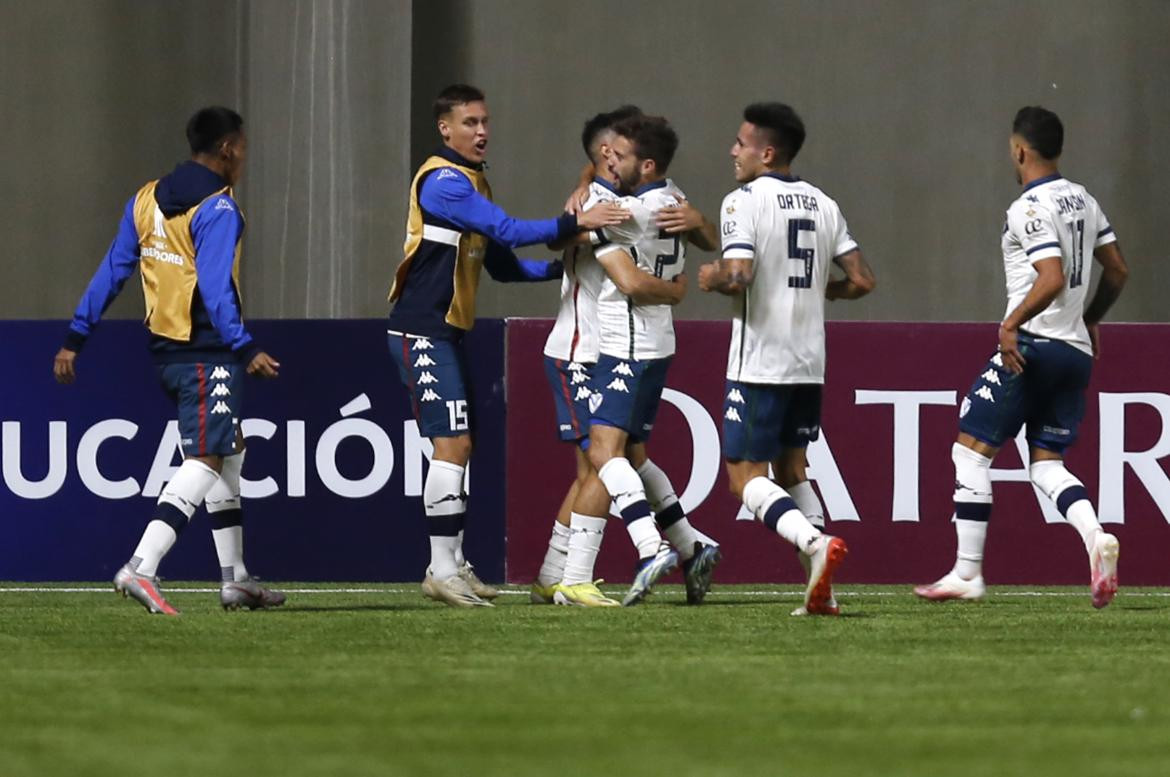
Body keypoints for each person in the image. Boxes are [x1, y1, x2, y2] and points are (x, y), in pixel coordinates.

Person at [387, 84, 628, 608]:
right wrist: (573, 224)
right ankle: (440, 568)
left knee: (460, 447)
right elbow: (509, 231)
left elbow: (498, 260)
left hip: (445, 332)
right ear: (444, 129)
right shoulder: (443, 181)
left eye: (485, 121)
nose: (481, 131)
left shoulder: (474, 181)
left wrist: (561, 270)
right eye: (469, 122)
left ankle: (450, 563)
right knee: (452, 447)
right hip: (420, 330)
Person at [54, 107, 285, 615]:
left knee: (231, 449)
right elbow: (217, 288)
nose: (245, 157)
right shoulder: (219, 210)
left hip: (166, 355)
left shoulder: (145, 198)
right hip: (209, 354)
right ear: (227, 149)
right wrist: (245, 348)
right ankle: (142, 566)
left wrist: (76, 336)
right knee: (205, 459)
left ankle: (236, 579)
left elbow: (113, 269)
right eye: (243, 148)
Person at [915, 106, 1129, 608]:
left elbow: (1050, 277)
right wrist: (1091, 318)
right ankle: (1096, 537)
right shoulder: (1084, 199)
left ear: (1020, 150)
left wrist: (1010, 324)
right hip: (1073, 351)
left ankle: (967, 573)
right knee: (1047, 464)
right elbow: (1117, 270)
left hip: (1032, 345)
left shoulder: (1027, 208)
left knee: (969, 452)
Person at [532, 108, 722, 607]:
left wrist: (698, 223)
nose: (613, 157)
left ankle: (586, 570)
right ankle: (679, 546)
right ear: (600, 155)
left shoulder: (624, 203)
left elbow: (632, 271)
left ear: (642, 162)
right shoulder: (614, 199)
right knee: (609, 460)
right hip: (581, 347)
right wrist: (677, 291)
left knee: (608, 460)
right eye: (607, 152)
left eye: (622, 151)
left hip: (611, 346)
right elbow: (558, 236)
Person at [698, 102, 875, 616]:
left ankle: (816, 544)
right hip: (809, 362)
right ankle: (825, 595)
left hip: (760, 361)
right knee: (793, 470)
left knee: (743, 476)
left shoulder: (742, 202)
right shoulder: (824, 203)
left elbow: (738, 276)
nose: (733, 151)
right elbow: (863, 281)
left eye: (741, 142)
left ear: (766, 151)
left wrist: (711, 277)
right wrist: (822, 291)